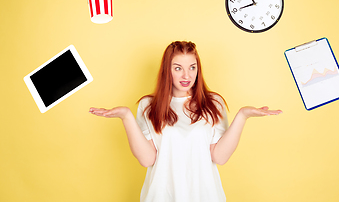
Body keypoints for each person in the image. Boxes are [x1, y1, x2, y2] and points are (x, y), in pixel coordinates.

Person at [89, 41, 282, 202]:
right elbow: (147, 159)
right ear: (167, 70)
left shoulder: (213, 103)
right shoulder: (148, 106)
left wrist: (242, 116)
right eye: (178, 68)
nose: (187, 76)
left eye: (192, 67)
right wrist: (126, 116)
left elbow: (219, 157)